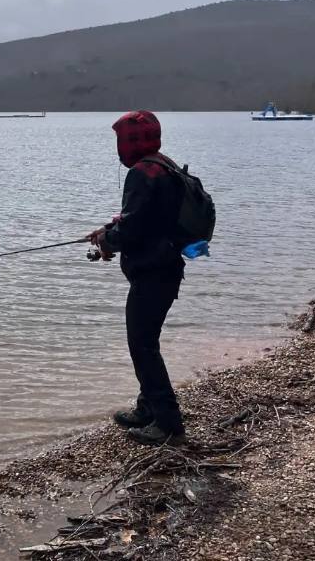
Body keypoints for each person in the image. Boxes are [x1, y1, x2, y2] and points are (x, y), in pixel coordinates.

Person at [88, 110, 187, 445]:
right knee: (145, 342)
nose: (119, 146)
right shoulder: (164, 165)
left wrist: (106, 240)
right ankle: (147, 408)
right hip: (166, 269)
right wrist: (109, 230)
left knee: (142, 346)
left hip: (153, 274)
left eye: (121, 139)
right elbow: (145, 219)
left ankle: (168, 424)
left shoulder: (143, 174)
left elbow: (132, 231)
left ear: (130, 142)